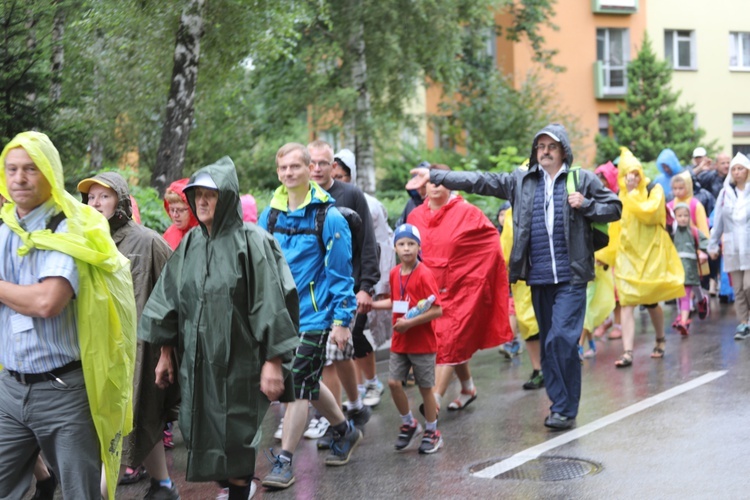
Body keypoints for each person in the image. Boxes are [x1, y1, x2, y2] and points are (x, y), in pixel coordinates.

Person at [407, 123, 622, 430]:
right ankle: (559, 405)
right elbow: (480, 180)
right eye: (540, 147)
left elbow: (614, 208)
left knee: (562, 338)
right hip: (539, 277)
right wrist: (438, 176)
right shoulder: (521, 181)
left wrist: (586, 205)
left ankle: (566, 406)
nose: (545, 152)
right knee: (549, 342)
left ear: (563, 150)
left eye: (551, 147)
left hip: (572, 277)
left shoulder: (581, 180)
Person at [140, 157, 300, 500]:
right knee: (202, 432)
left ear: (226, 196)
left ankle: (240, 490)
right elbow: (169, 299)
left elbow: (271, 301)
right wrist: (165, 354)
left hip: (240, 363)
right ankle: (234, 486)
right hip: (197, 365)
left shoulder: (253, 243)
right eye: (196, 195)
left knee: (235, 436)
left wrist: (274, 360)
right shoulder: (191, 244)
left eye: (209, 195)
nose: (201, 202)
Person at [0, 131, 137, 499]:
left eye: (30, 168)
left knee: (81, 494)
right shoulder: (6, 228)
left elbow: (48, 301)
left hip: (63, 393)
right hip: (9, 391)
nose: (20, 178)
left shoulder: (70, 228)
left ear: (49, 172)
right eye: (11, 169)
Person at [259, 143, 363, 490]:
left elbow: (341, 275)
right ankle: (345, 431)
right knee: (308, 381)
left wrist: (342, 321)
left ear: (310, 170)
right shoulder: (269, 215)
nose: (289, 173)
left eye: (295, 167)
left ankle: (285, 461)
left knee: (297, 387)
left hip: (317, 318)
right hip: (281, 318)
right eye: (283, 168)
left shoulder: (329, 216)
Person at [77, 172, 180, 499]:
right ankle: (163, 484)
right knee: (133, 421)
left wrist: (167, 351)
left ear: (119, 200)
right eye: (91, 197)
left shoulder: (148, 241)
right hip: (98, 347)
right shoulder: (84, 241)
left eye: (103, 196)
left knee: (127, 421)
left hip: (141, 350)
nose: (95, 203)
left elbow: (173, 297)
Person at [406, 163, 511, 414]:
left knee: (449, 343)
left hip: (460, 290)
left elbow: (490, 244)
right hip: (430, 291)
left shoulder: (468, 213)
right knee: (450, 342)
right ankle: (467, 388)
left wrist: (474, 278)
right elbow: (407, 251)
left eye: (441, 181)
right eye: (431, 182)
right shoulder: (415, 217)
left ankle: (434, 400)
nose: (435, 187)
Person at [306, 141, 377, 438]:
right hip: (313, 292)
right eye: (312, 163)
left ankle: (331, 417)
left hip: (345, 289)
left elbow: (368, 244)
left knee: (333, 355)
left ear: (333, 165)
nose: (318, 169)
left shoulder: (351, 195)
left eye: (324, 163)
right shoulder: (301, 198)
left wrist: (366, 287)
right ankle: (354, 405)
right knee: (337, 353)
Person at [372, 224, 444, 453]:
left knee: (425, 388)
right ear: (394, 248)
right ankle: (409, 423)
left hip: (422, 343)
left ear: (418, 247)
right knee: (393, 383)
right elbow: (395, 302)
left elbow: (437, 310)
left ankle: (433, 431)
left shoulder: (424, 274)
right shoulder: (394, 274)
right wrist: (370, 305)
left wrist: (409, 323)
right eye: (402, 244)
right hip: (400, 342)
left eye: (411, 244)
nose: (406, 249)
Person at [332, 149, 395, 406]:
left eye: (342, 176)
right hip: (339, 282)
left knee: (356, 333)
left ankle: (371, 383)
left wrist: (376, 285)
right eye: (333, 175)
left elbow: (379, 245)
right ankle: (357, 389)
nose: (337, 180)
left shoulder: (366, 203)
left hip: (362, 281)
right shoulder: (324, 201)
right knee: (343, 341)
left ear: (351, 175)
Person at [613, 148, 685, 366]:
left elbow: (650, 213)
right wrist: (605, 256)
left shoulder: (654, 190)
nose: (632, 177)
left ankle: (661, 338)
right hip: (627, 257)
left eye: (635, 172)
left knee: (652, 302)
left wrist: (633, 192)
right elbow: (615, 228)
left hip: (650, 256)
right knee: (626, 303)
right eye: (628, 173)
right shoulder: (619, 196)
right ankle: (627, 352)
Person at [708, 152, 750, 339]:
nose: (737, 172)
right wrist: (713, 245)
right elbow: (718, 222)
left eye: (740, 168)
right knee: (739, 288)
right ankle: (743, 323)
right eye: (734, 169)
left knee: (749, 286)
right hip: (732, 247)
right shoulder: (725, 194)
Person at [670, 202, 709, 336]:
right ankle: (684, 320)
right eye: (679, 215)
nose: (683, 218)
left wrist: (704, 252)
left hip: (691, 267)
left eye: (686, 215)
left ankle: (701, 301)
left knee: (695, 286)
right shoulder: (673, 232)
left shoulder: (694, 231)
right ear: (674, 217)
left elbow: (705, 242)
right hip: (677, 269)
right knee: (682, 294)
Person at [162, 178, 199, 250]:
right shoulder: (169, 234)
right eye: (172, 210)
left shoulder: (205, 235)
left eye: (180, 210)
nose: (175, 215)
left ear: (193, 210)